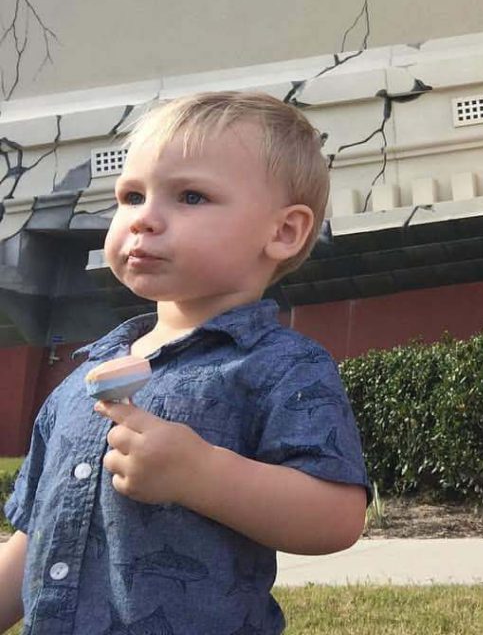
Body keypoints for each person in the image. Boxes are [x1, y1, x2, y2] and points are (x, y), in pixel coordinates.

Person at [0, 91, 369, 635]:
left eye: (191, 196)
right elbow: (36, 537)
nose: (145, 219)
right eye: (130, 196)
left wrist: (204, 476)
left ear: (283, 232)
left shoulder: (279, 366)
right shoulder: (82, 380)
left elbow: (336, 517)